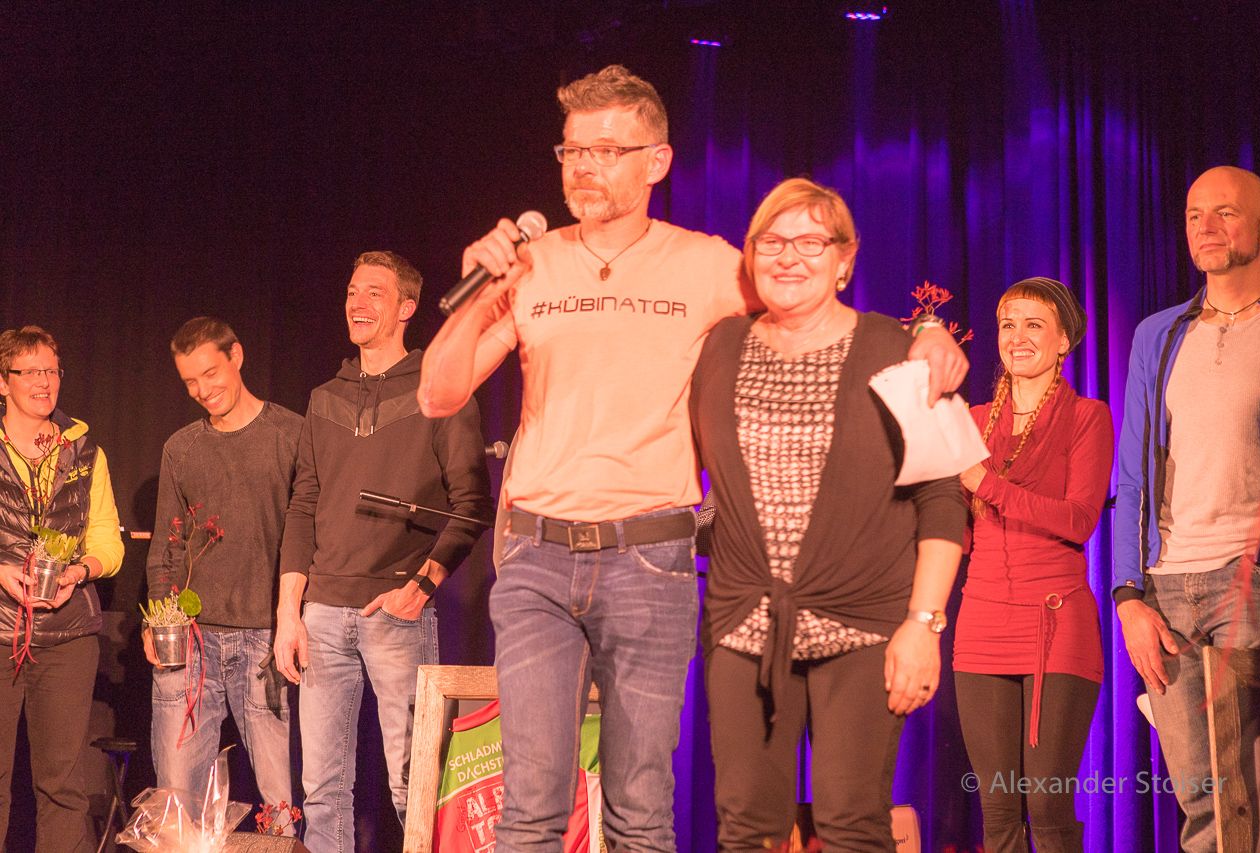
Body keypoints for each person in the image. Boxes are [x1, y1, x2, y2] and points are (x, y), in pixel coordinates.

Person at [418, 66, 968, 851]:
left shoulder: (710, 264)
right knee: (531, 804)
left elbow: (808, 296)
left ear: (658, 161)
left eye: (608, 150)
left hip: (651, 558)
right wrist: (481, 291)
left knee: (641, 804)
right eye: (573, 150)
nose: (585, 166)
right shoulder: (534, 263)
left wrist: (924, 332)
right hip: (537, 553)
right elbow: (439, 394)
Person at [688, 177, 966, 850]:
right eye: (772, 241)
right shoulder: (720, 345)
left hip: (864, 624)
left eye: (811, 242)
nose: (789, 256)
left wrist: (923, 625)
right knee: (746, 828)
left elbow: (941, 500)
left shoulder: (895, 350)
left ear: (845, 259)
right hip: (744, 624)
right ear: (750, 256)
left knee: (851, 823)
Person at [273, 251, 491, 853]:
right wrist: (290, 612)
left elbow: (472, 503)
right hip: (322, 612)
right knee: (321, 790)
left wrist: (420, 587)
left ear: (406, 308)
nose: (357, 302)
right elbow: (303, 504)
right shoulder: (324, 397)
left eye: (374, 292)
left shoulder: (439, 391)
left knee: (412, 783)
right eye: (351, 291)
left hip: (396, 612)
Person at [1115, 165, 1260, 853]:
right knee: (1202, 804)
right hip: (1168, 590)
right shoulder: (1158, 334)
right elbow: (1131, 473)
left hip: (1253, 583)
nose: (1205, 227)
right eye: (1193, 215)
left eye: (1225, 213)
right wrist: (1129, 595)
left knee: (1259, 804)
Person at [953, 278, 1113, 852]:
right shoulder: (971, 420)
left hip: (1055, 621)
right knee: (997, 808)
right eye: (1008, 325)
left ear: (1064, 340)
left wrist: (986, 484)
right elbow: (959, 533)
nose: (1017, 337)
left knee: (1046, 804)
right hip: (982, 621)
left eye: (1034, 325)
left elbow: (1079, 519)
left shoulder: (1087, 416)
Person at [143, 317, 301, 812]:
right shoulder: (181, 448)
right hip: (191, 641)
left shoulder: (292, 435)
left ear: (237, 356)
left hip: (266, 641)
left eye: (210, 373)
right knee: (176, 796)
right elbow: (167, 545)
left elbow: (309, 536)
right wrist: (158, 622)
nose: (202, 390)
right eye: (190, 381)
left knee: (281, 799)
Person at [0, 325, 125, 852]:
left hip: (67, 636)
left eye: (51, 370)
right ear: (4, 382)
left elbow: (108, 542)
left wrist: (78, 572)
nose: (43, 381)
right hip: (0, 631)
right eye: (30, 371)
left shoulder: (86, 450)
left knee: (63, 785)